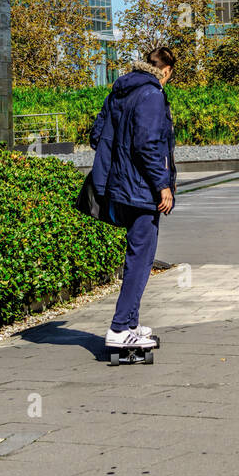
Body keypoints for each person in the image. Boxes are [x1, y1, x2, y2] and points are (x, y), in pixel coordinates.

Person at [90, 47, 177, 350]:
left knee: (136, 253)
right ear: (165, 70)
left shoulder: (120, 90)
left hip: (119, 187)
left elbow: (97, 134)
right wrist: (163, 186)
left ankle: (130, 323)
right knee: (140, 258)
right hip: (141, 190)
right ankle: (118, 328)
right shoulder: (152, 94)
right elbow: (148, 145)